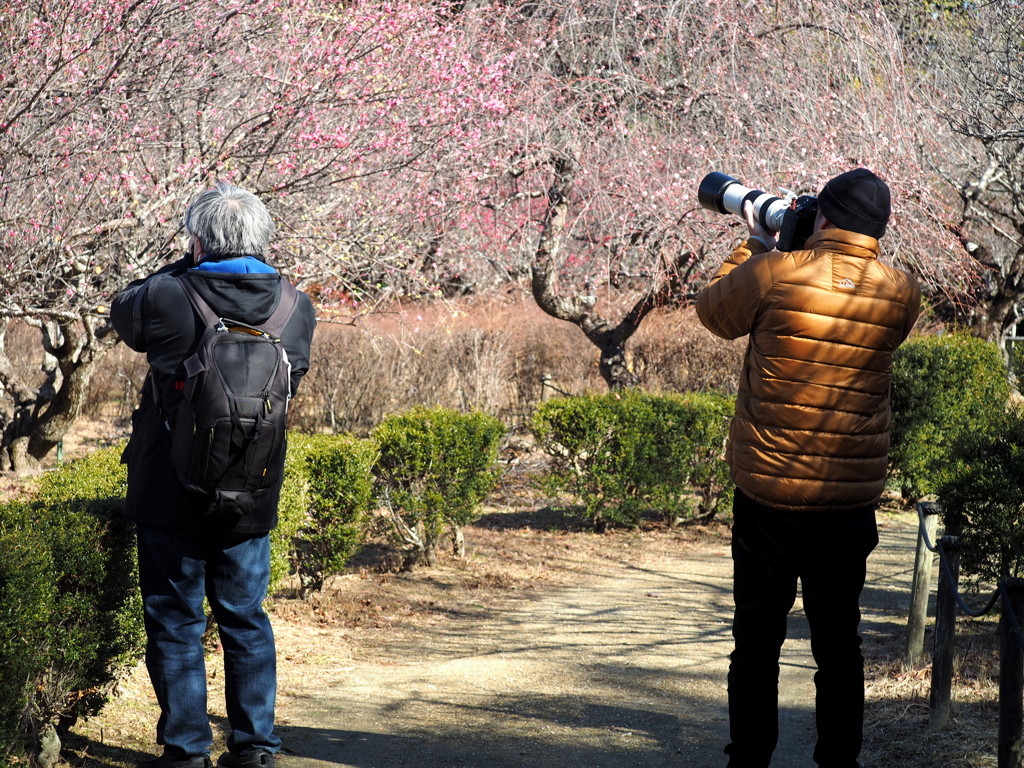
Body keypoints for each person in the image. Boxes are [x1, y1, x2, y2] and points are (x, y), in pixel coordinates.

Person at [695, 168, 921, 768]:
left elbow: (714, 313)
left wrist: (757, 243)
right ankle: (839, 761)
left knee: (757, 643)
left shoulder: (775, 275)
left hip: (768, 494)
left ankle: (749, 760)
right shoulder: (901, 292)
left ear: (821, 216)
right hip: (848, 503)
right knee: (838, 644)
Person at [111, 183, 317, 768]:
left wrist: (183, 261)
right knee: (246, 618)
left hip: (168, 490)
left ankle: (186, 752)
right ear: (262, 237)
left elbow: (122, 312)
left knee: (176, 621)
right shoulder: (294, 306)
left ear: (198, 239)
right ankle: (254, 749)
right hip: (250, 488)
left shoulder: (170, 295)